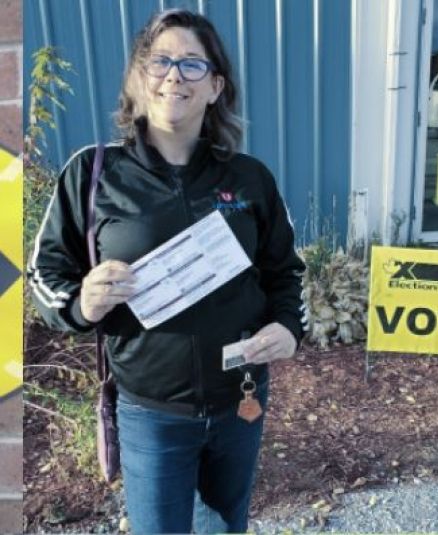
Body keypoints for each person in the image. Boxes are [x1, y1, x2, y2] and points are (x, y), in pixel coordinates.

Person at [28, 10, 307, 534]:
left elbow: (285, 270)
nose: (174, 75)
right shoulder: (92, 174)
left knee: (224, 528)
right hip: (149, 413)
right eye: (160, 61)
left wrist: (290, 328)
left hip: (240, 399)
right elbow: (45, 270)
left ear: (216, 86)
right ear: (139, 78)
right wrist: (79, 302)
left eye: (191, 64)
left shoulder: (249, 179)